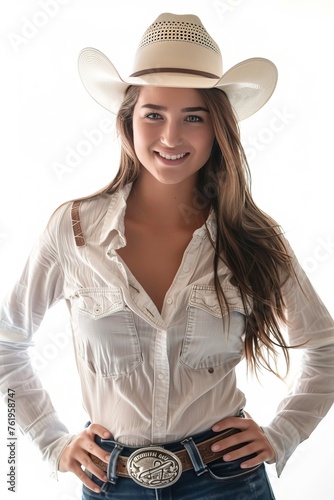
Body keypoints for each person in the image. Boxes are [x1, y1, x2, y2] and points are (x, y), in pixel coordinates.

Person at [0, 12, 334, 500]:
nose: (171, 137)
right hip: (112, 483)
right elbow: (8, 345)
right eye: (153, 114)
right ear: (127, 122)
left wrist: (283, 435)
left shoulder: (253, 237)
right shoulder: (72, 231)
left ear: (217, 127)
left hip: (229, 482)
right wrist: (51, 442)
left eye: (193, 117)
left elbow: (326, 348)